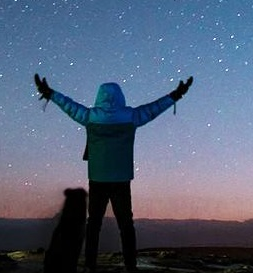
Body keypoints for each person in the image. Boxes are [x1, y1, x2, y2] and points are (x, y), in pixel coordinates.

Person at [34, 73, 193, 273]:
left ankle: (90, 265)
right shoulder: (131, 116)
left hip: (97, 179)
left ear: (99, 96)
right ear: (121, 97)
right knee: (126, 225)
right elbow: (154, 108)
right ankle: (130, 265)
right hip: (121, 179)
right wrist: (176, 94)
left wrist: (50, 93)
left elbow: (69, 106)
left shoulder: (90, 116)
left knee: (94, 224)